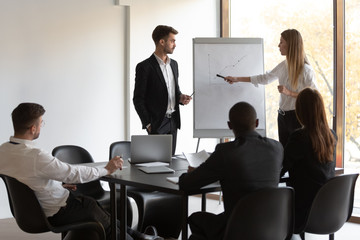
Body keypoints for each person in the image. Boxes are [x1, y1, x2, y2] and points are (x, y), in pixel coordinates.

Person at [0, 103, 162, 240]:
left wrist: (58, 186)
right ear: (33, 128)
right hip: (57, 212)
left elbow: (28, 181)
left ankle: (139, 236)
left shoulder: (3, 151)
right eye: (42, 123)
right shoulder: (35, 156)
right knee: (94, 210)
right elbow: (72, 173)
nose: (42, 126)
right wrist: (106, 169)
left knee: (96, 209)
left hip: (34, 212)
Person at [178, 101, 283, 240]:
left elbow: (186, 184)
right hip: (272, 228)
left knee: (195, 219)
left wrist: (192, 173)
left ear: (229, 125)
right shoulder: (277, 148)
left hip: (237, 229)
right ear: (257, 123)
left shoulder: (226, 152)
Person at [224, 29, 316, 147]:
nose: (279, 45)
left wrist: (289, 93)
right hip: (282, 117)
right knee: (284, 153)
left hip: (297, 117)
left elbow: (312, 95)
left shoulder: (306, 70)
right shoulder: (283, 66)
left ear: (290, 44)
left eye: (281, 42)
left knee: (297, 153)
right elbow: (265, 78)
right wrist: (237, 79)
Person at [280, 88, 336, 233]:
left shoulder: (299, 137)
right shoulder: (331, 136)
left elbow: (280, 169)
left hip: (303, 212)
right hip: (330, 209)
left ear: (300, 111)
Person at [133, 25, 192, 155]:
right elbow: (138, 99)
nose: (175, 45)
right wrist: (148, 123)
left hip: (173, 121)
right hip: (157, 123)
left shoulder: (174, 65)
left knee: (170, 162)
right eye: (172, 41)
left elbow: (175, 91)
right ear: (162, 42)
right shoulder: (145, 67)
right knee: (157, 164)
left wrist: (181, 98)